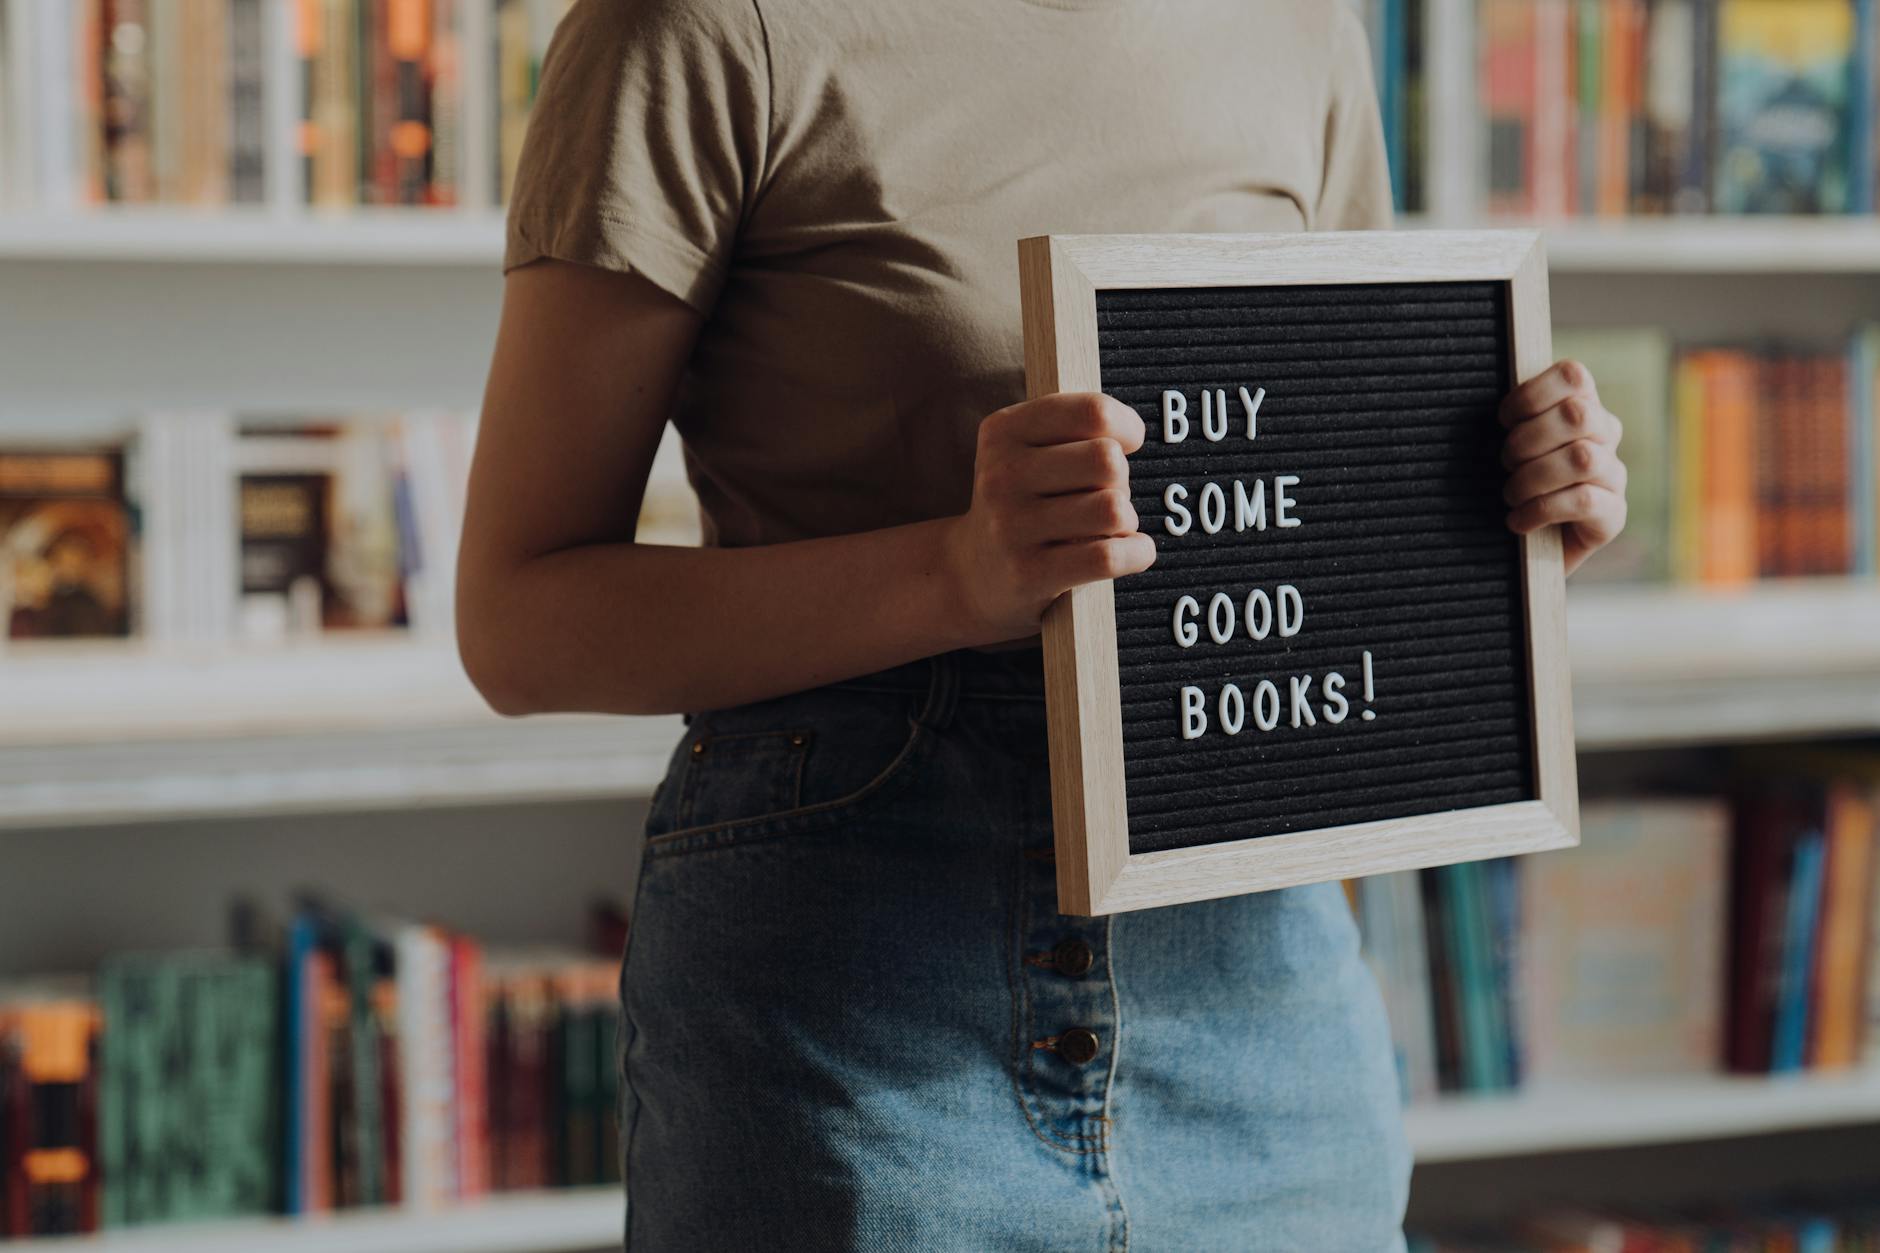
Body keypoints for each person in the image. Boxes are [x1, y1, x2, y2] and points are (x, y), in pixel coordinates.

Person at [455, 1, 1628, 1248]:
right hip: (854, 989)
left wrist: (1502, 506)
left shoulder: (1297, 27)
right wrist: (951, 573)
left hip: (1257, 986)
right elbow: (518, 618)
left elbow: (1324, 483)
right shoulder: (698, 26)